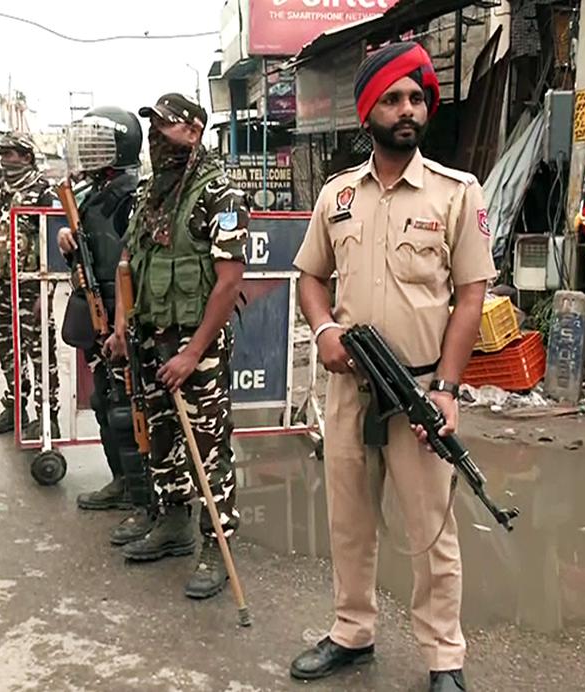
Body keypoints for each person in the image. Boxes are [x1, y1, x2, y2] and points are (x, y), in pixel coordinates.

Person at [287, 42, 496, 692]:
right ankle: (353, 632)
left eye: (416, 97)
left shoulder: (457, 194)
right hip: (351, 390)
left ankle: (444, 660)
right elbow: (310, 277)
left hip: (421, 390)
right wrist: (322, 329)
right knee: (348, 523)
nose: (407, 109)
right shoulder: (337, 195)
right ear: (367, 110)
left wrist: (450, 389)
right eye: (393, 98)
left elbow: (470, 297)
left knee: (432, 533)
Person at [104, 93, 248, 599]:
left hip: (196, 346)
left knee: (208, 451)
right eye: (154, 130)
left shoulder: (220, 194)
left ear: (193, 130)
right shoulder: (150, 195)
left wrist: (192, 354)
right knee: (161, 440)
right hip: (151, 338)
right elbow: (129, 263)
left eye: (165, 129)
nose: (156, 140)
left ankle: (217, 543)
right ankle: (172, 523)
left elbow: (228, 283)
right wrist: (122, 328)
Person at [56, 106, 156, 546]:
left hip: (123, 320)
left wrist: (123, 324)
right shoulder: (94, 191)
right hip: (96, 316)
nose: (89, 148)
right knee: (103, 403)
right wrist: (69, 246)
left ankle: (144, 500)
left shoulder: (130, 194)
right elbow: (94, 253)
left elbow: (131, 261)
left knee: (126, 411)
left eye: (100, 140)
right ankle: (121, 482)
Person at [0, 133, 62, 440]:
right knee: (7, 347)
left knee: (40, 352)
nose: (3, 159)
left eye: (10, 153)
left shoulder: (44, 191)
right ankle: (15, 406)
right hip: (3, 283)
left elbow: (56, 243)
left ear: (26, 156)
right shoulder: (2, 190)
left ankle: (47, 416)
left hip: (31, 285)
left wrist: (48, 290)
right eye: (2, 153)